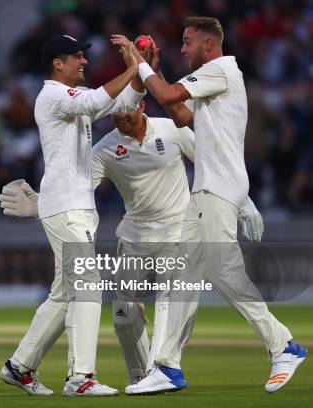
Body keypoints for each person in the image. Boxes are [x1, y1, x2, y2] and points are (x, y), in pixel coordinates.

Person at [0, 98, 264, 388]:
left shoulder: (171, 129)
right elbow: (75, 191)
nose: (120, 119)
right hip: (134, 238)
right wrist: (42, 205)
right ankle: (140, 375)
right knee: (124, 315)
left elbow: (212, 164)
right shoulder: (104, 150)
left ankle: (160, 372)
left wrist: (243, 202)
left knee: (169, 302)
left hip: (178, 232)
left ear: (141, 106)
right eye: (113, 115)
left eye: (125, 112)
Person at [117, 17, 307, 394]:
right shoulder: (216, 79)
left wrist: (137, 62)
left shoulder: (220, 69)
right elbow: (183, 116)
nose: (183, 49)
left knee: (222, 274)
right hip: (208, 190)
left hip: (216, 189)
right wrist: (154, 71)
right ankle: (168, 367)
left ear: (208, 44)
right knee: (182, 277)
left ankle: (283, 345)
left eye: (188, 43)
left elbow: (169, 96)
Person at [0, 34, 146, 397]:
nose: (83, 61)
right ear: (57, 64)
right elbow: (100, 98)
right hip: (66, 207)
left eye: (83, 56)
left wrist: (143, 69)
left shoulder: (73, 98)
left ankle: (20, 366)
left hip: (74, 206)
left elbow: (125, 101)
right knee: (87, 288)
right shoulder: (52, 96)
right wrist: (134, 66)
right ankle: (80, 378)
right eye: (76, 57)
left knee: (65, 294)